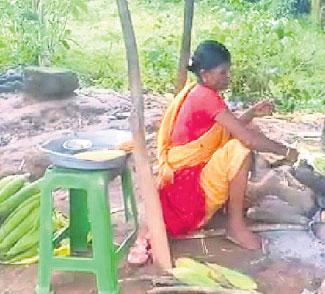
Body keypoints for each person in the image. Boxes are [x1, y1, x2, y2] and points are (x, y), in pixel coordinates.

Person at [128, 40, 298, 263]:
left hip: (185, 183)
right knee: (241, 148)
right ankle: (235, 227)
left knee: (247, 133)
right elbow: (245, 139)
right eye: (223, 73)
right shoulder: (206, 97)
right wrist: (287, 151)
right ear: (205, 74)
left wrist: (251, 113)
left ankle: (235, 204)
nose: (227, 77)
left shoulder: (198, 91)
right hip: (187, 196)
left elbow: (224, 129)